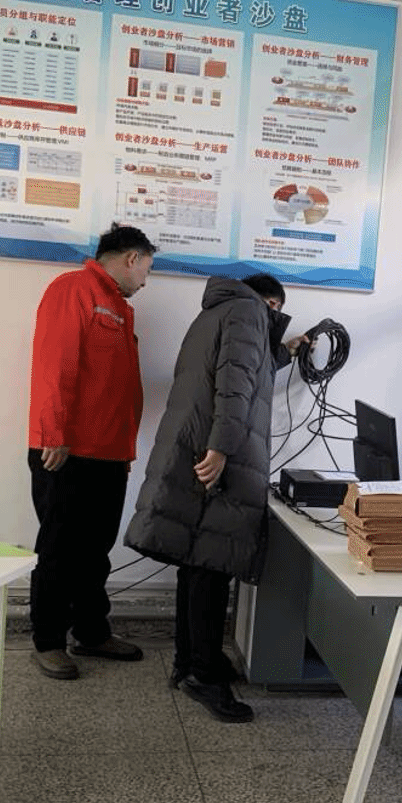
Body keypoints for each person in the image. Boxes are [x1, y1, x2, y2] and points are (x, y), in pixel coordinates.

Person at [124, 272, 286, 723]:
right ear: (271, 304)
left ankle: (190, 662)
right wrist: (223, 449)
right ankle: (204, 676)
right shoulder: (250, 312)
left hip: (194, 446)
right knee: (211, 569)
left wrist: (286, 350)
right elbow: (235, 384)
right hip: (218, 457)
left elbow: (246, 368)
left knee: (195, 564)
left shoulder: (217, 311)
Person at [25, 224, 157, 680]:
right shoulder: (74, 290)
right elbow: (55, 363)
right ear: (131, 258)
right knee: (59, 549)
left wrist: (125, 450)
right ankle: (47, 641)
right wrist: (54, 433)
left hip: (108, 452)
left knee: (95, 551)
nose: (145, 281)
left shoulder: (119, 307)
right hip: (67, 450)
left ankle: (91, 631)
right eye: (147, 270)